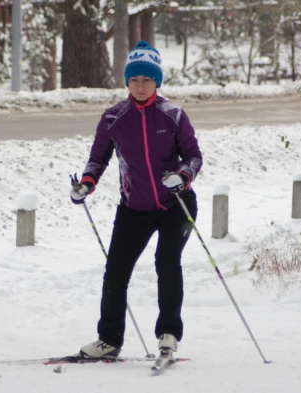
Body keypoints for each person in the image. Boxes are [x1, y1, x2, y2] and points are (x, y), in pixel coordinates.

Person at [70, 40, 202, 361]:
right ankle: (108, 340)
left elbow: (194, 157)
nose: (140, 86)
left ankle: (168, 335)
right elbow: (97, 160)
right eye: (134, 80)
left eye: (147, 80)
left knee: (166, 263)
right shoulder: (114, 118)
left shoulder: (173, 115)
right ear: (126, 81)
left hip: (176, 205)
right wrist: (86, 184)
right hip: (134, 208)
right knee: (115, 271)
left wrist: (182, 176)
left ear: (157, 81)